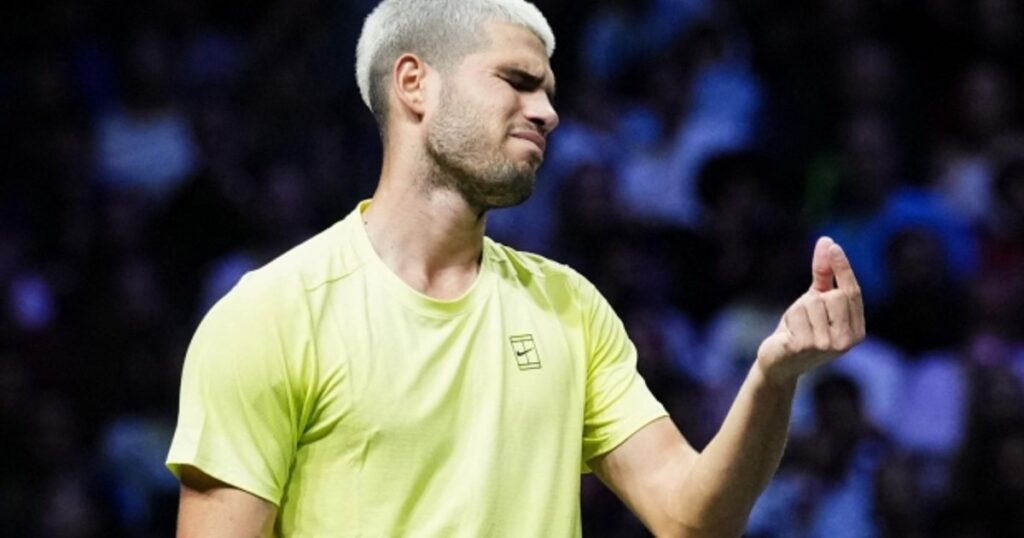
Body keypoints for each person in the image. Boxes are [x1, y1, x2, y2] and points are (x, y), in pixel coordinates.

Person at [166, 0, 866, 536]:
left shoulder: (570, 308)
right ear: (416, 84)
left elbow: (690, 518)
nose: (548, 112)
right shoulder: (271, 315)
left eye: (550, 91)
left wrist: (775, 378)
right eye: (518, 81)